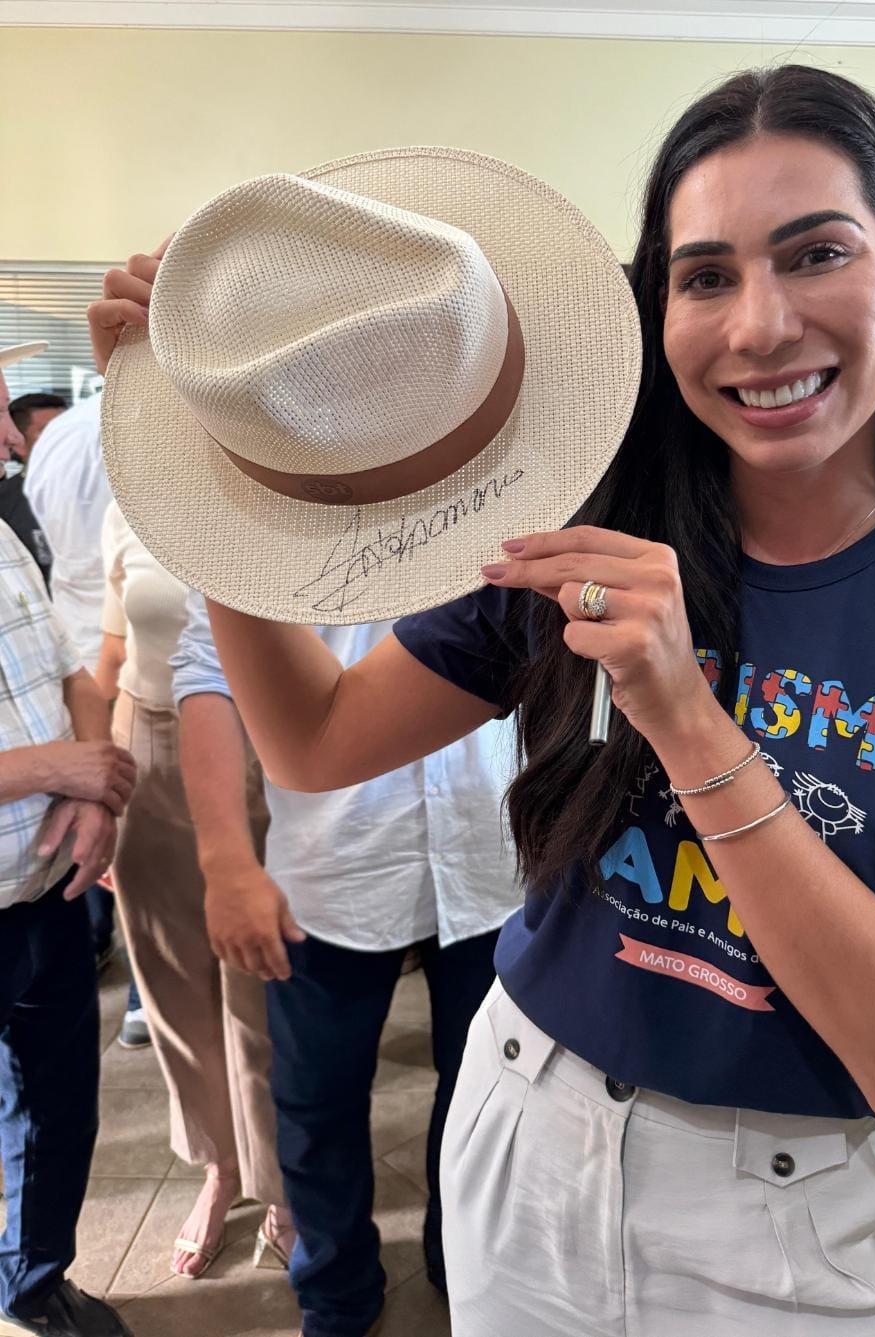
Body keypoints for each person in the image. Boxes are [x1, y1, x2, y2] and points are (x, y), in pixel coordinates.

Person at [90, 65, 875, 1337]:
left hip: (783, 1208)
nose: (760, 325)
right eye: (706, 274)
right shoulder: (583, 527)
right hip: (523, 1122)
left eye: (816, 252)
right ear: (657, 306)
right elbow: (318, 739)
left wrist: (686, 711)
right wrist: (220, 469)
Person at [171, 594, 519, 1335]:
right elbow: (208, 671)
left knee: (485, 1091)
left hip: (493, 850)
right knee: (315, 1101)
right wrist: (225, 858)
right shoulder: (270, 525)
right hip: (332, 863)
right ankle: (334, 1292)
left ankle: (464, 1258)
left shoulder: (510, 486)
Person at [92, 500, 292, 1280]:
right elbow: (113, 643)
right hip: (142, 738)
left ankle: (279, 1183)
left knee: (260, 981)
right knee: (169, 977)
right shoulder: (129, 502)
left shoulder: (279, 496)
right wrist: (101, 788)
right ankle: (220, 1168)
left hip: (255, 737)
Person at [0, 343, 137, 1337]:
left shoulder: (7, 528)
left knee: (55, 1104)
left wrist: (93, 779)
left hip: (45, 877)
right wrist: (61, 771)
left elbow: (72, 669)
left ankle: (35, 1278)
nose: (10, 433)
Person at [23, 394, 146, 1039]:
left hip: (93, 677)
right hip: (126, 678)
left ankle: (133, 986)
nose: (16, 442)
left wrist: (87, 768)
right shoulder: (144, 437)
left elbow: (77, 650)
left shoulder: (59, 441)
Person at [0, 384, 56, 584]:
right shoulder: (4, 502)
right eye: (48, 432)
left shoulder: (94, 496)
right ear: (22, 444)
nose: (63, 440)